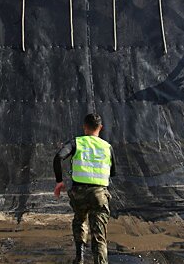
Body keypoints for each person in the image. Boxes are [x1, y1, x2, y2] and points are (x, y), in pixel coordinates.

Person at [53, 113, 115, 264]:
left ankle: (79, 257)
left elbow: (58, 157)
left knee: (80, 220)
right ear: (100, 127)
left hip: (79, 192)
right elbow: (113, 173)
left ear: (84, 127)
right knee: (99, 234)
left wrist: (59, 181)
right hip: (99, 194)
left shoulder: (76, 143)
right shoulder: (107, 147)